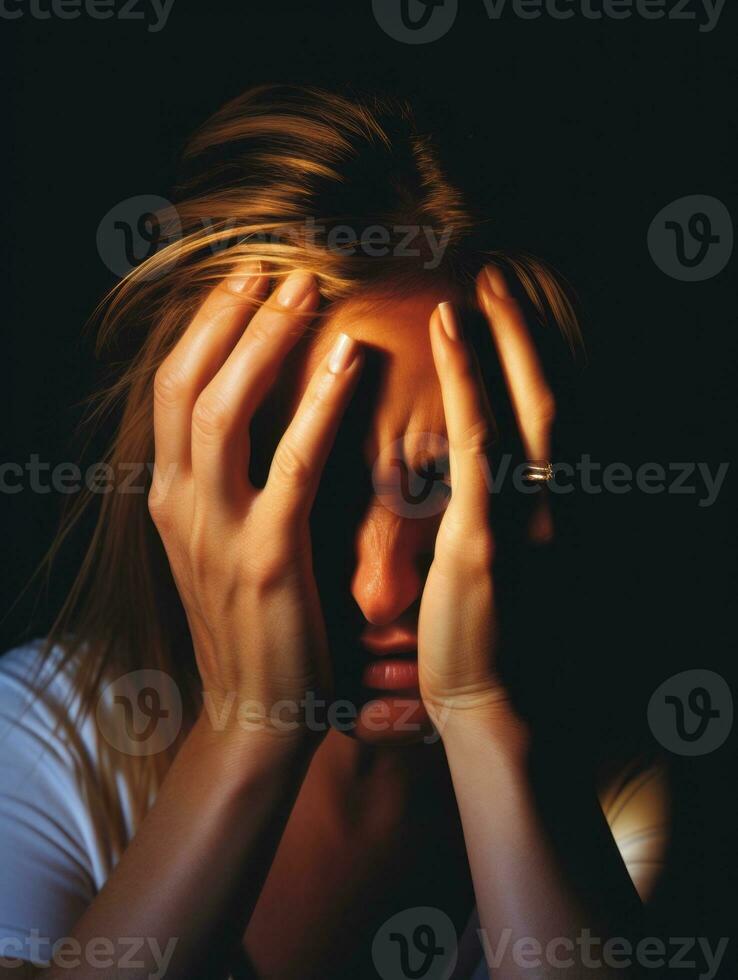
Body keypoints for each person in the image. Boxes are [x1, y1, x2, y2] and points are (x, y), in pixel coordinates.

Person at [0, 85, 669, 979]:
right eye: (303, 491)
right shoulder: (45, 740)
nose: (381, 589)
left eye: (442, 484)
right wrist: (250, 726)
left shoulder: (626, 777)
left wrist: (486, 719)